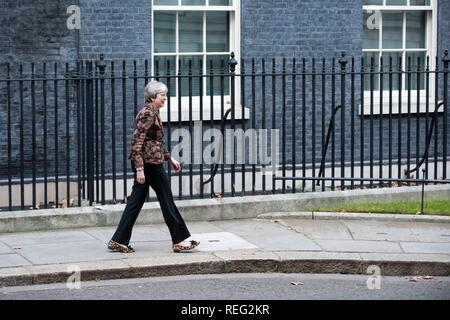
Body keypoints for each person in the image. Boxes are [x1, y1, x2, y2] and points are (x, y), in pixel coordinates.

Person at [108, 81, 199, 253]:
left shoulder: (153, 112)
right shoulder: (148, 113)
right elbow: (137, 141)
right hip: (148, 164)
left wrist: (169, 157)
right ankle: (179, 240)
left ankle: (118, 240)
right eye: (162, 95)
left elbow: (154, 141)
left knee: (135, 202)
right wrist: (140, 169)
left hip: (151, 161)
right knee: (166, 199)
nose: (165, 98)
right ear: (153, 97)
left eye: (165, 94)